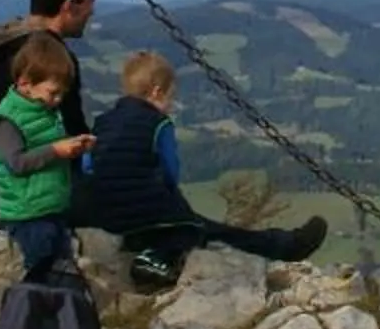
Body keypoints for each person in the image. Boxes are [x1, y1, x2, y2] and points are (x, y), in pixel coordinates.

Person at [78, 49, 330, 289]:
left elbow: (88, 165)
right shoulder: (158, 124)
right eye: (170, 97)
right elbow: (170, 171)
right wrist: (171, 205)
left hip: (99, 212)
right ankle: (286, 246)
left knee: (167, 228)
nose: (171, 105)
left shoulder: (103, 122)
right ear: (156, 92)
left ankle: (148, 249)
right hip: (145, 210)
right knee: (201, 230)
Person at [0, 0, 97, 219]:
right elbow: (73, 133)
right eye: (90, 2)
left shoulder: (2, 47)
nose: (92, 12)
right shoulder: (50, 60)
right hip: (29, 197)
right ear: (69, 5)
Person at [0, 32, 96, 279]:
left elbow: (47, 148)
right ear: (26, 83)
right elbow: (17, 163)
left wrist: (74, 148)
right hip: (27, 214)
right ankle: (34, 308)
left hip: (51, 207)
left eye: (61, 94)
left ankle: (61, 307)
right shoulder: (7, 120)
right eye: (52, 92)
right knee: (41, 268)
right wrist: (57, 150)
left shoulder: (42, 111)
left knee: (63, 266)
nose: (57, 100)